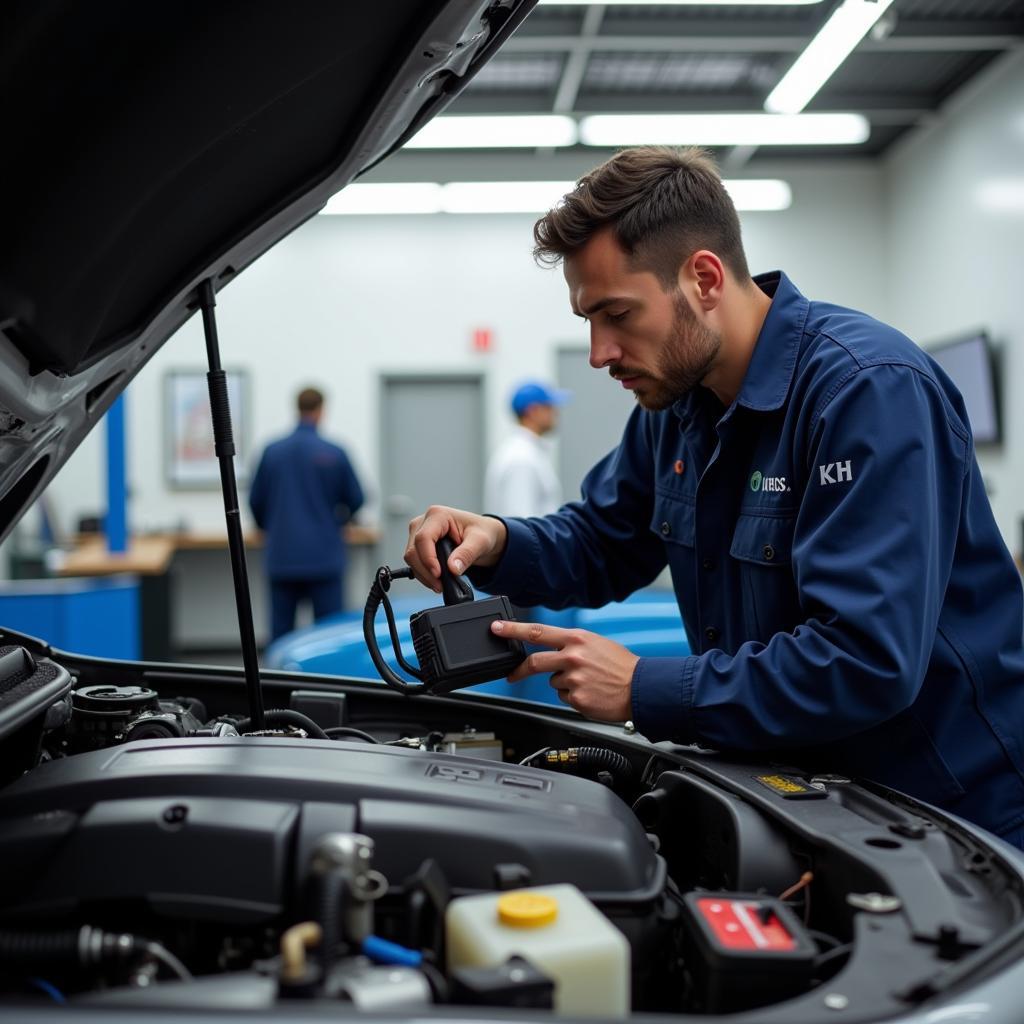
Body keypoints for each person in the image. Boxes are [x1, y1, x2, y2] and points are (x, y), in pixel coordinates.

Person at [404, 146, 1024, 845]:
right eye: (588, 320)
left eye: (616, 314)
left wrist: (644, 687)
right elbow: (603, 540)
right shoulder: (675, 409)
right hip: (800, 797)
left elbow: (866, 660)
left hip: (948, 820)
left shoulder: (868, 391)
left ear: (703, 278)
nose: (599, 352)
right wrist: (498, 539)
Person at [249, 387, 364, 642]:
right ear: (322, 410)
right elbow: (357, 498)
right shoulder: (334, 452)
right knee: (328, 635)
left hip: (282, 556)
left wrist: (269, 528)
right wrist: (339, 521)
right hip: (324, 556)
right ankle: (326, 683)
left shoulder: (272, 451)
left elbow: (255, 500)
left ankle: (280, 682)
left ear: (297, 408)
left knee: (281, 635)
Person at [484, 380, 570, 518]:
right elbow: (521, 522)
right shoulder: (521, 459)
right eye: (549, 407)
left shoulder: (526, 452)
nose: (555, 412)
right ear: (533, 411)